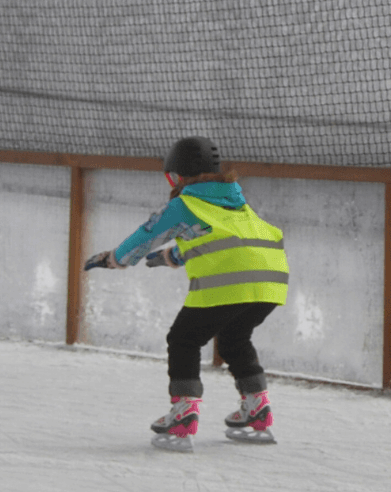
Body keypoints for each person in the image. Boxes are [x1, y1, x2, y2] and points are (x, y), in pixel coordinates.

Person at [83, 137, 289, 452]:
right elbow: (220, 238)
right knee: (235, 339)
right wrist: (173, 257)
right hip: (271, 282)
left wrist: (113, 259)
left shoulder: (185, 203)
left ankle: (183, 416)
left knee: (184, 339)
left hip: (230, 283)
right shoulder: (236, 202)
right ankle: (256, 410)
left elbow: (146, 235)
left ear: (178, 176)